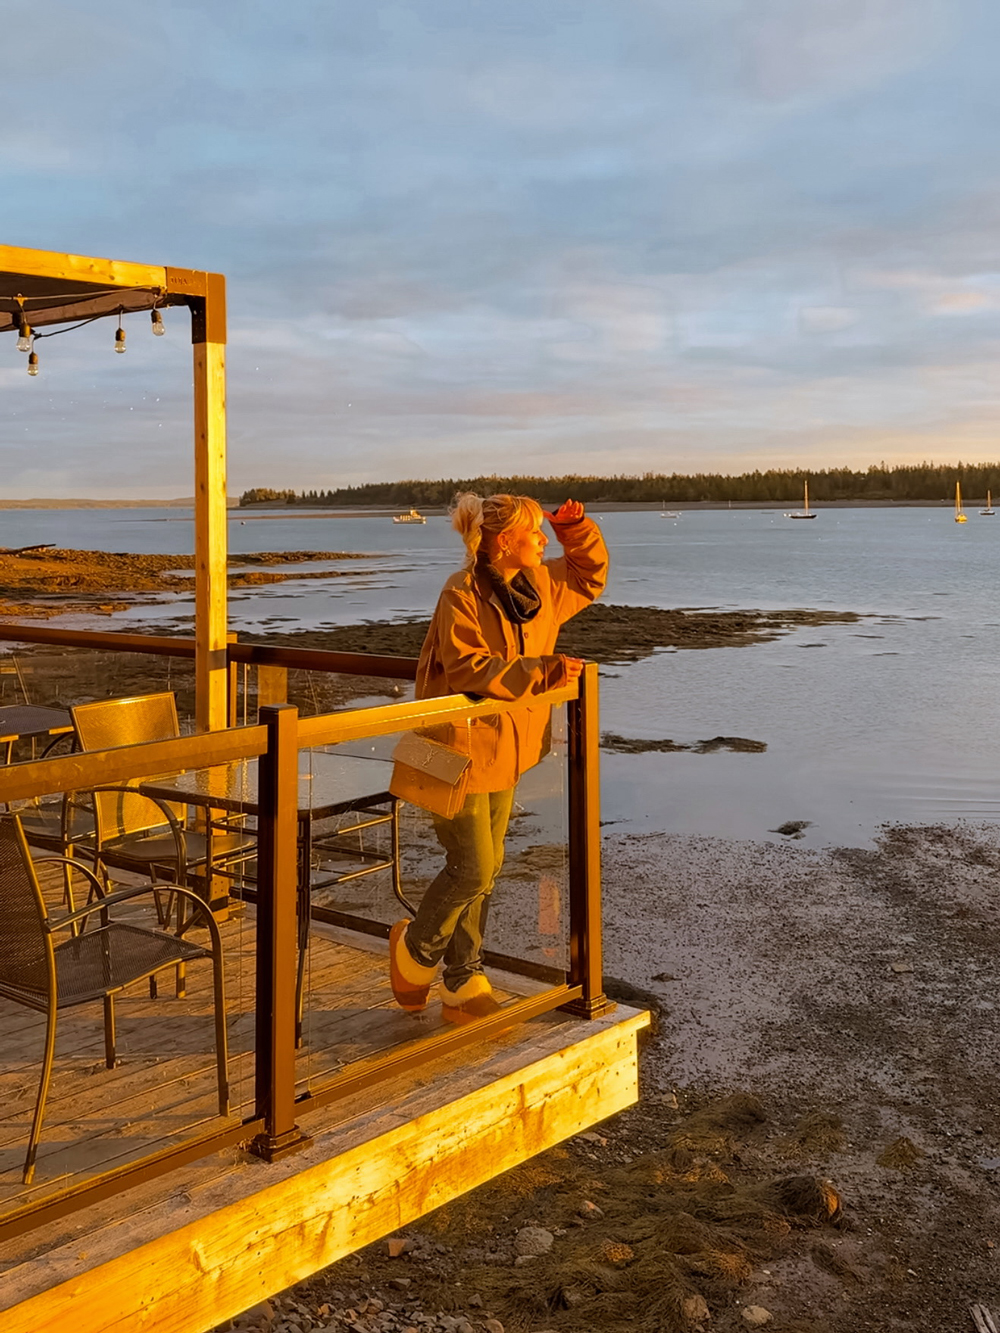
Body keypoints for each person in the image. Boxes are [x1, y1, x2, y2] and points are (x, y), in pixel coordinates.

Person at [389, 491, 608, 1022]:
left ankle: (463, 982)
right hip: (457, 749)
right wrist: (542, 671)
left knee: (486, 867)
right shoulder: (459, 593)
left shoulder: (539, 585)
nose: (541, 539)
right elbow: (467, 669)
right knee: (474, 867)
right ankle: (414, 953)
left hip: (509, 749)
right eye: (535, 531)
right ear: (504, 540)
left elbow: (589, 577)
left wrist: (574, 529)